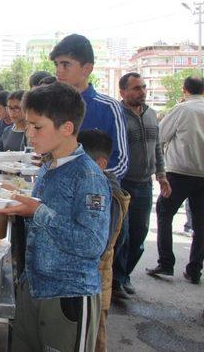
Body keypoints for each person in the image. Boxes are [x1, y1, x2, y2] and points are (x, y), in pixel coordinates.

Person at [0, 82, 110, 352]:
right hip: (34, 288)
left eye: (37, 127)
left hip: (67, 296)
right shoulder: (50, 164)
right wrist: (21, 201)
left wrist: (37, 211)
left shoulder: (88, 176)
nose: (29, 134)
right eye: (28, 125)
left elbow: (92, 243)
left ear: (67, 128)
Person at [112, 73, 169, 298]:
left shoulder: (152, 115)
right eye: (136, 88)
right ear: (123, 92)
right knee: (121, 236)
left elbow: (157, 148)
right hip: (122, 182)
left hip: (145, 185)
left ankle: (125, 276)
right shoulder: (116, 115)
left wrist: (161, 174)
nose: (142, 91)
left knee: (139, 234)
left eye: (143, 87)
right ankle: (116, 281)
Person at [147, 76, 204, 284]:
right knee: (201, 224)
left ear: (184, 89)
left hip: (179, 172)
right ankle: (195, 269)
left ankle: (166, 262)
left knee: (164, 213)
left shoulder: (182, 109)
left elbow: (160, 136)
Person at [78, 129, 131, 352]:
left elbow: (95, 244)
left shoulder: (103, 195)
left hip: (95, 281)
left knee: (93, 337)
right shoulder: (93, 185)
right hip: (90, 279)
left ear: (100, 164)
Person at [51, 34, 129, 180]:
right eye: (57, 64)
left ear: (87, 69)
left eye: (66, 65)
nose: (58, 71)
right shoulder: (52, 106)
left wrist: (86, 182)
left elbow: (120, 162)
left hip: (96, 196)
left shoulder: (109, 107)